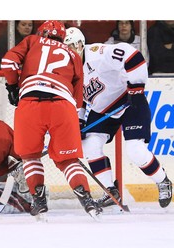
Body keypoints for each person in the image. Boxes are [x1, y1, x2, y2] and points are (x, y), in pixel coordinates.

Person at [0, 20, 102, 220]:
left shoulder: (32, 41)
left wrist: (13, 86)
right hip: (63, 105)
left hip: (30, 104)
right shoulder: (73, 54)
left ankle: (39, 202)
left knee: (30, 156)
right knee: (68, 160)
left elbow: (8, 63)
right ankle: (87, 200)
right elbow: (78, 99)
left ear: (42, 32)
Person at [64, 27, 172, 209]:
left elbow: (133, 56)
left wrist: (136, 88)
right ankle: (109, 191)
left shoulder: (97, 54)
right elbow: (77, 100)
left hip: (128, 100)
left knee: (135, 150)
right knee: (89, 144)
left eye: (70, 48)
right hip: (103, 110)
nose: (67, 55)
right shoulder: (67, 70)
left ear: (80, 45)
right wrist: (79, 119)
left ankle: (163, 181)